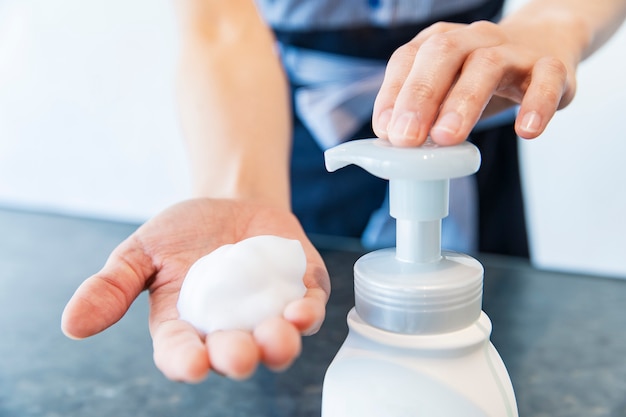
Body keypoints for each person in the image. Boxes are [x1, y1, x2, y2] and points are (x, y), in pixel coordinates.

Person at [62, 0, 626, 383]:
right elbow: (225, 22)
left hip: (469, 128)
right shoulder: (270, 249)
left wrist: (552, 28)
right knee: (304, 365)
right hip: (286, 158)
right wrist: (240, 195)